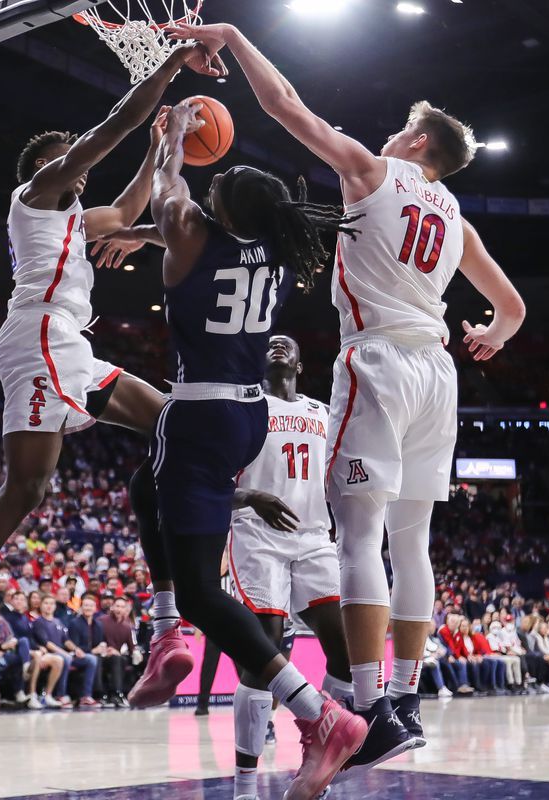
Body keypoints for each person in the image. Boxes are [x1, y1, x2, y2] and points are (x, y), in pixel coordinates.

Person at [172, 20, 526, 756]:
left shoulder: (372, 170)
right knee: (414, 540)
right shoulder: (457, 220)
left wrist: (234, 39)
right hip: (438, 373)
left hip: (380, 362)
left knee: (359, 534)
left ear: (420, 144)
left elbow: (286, 108)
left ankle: (372, 711)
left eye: (404, 130)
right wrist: (491, 334)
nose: (393, 136)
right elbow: (513, 310)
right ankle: (406, 700)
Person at [0, 43, 231, 709]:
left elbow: (132, 208)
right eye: (66, 154)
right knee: (28, 490)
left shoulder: (76, 217)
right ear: (45, 168)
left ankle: (166, 629)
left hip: (68, 343)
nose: (77, 161)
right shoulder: (36, 193)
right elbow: (109, 131)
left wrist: (164, 139)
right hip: (41, 337)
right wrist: (164, 76)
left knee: (181, 431)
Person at [126, 100, 367, 800]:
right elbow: (183, 224)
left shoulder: (189, 229)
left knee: (203, 590)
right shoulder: (280, 255)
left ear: (224, 209)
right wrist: (152, 233)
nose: (210, 183)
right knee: (147, 487)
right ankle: (169, 635)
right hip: (249, 418)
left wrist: (170, 140)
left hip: (197, 413)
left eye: (220, 183)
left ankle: (318, 713)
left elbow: (171, 191)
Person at [222, 334, 361, 800]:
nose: (279, 346)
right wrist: (250, 497)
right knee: (263, 652)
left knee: (343, 651)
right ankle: (245, 788)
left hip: (315, 537)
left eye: (288, 344)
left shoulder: (323, 412)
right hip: (257, 535)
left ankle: (316, 758)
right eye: (271, 343)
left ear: (300, 364)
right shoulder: (243, 405)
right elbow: (210, 480)